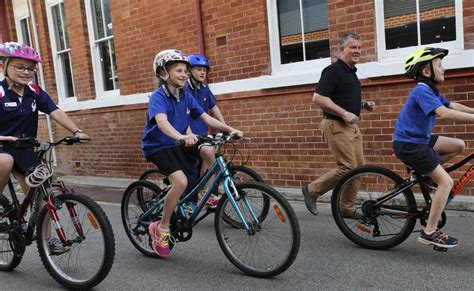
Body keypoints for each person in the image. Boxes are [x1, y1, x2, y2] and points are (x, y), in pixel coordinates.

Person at [142, 49, 242, 258]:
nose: (185, 74)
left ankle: (195, 199)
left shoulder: (186, 95)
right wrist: (179, 135)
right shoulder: (158, 97)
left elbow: (206, 117)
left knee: (205, 156)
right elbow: (161, 122)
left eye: (186, 71)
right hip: (158, 146)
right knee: (179, 182)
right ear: (162, 72)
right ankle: (161, 228)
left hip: (177, 143)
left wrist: (229, 129)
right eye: (179, 70)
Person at [0, 42, 89, 252]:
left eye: (30, 68)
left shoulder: (34, 91)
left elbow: (54, 111)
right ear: (4, 66)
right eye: (19, 67)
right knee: (5, 160)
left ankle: (48, 240)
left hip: (24, 148)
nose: (26, 72)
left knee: (40, 193)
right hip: (2, 147)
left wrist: (76, 131)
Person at [393, 47, 474, 248]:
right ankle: (429, 231)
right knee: (446, 182)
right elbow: (443, 113)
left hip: (420, 140)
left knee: (459, 145)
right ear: (426, 72)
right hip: (410, 145)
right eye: (439, 65)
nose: (443, 68)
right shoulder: (421, 90)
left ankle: (422, 174)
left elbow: (452, 105)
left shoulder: (430, 90)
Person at [301, 32, 375, 216]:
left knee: (359, 168)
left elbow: (342, 98)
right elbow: (318, 98)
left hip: (351, 127)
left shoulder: (350, 72)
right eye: (352, 47)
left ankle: (346, 208)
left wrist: (363, 105)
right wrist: (344, 113)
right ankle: (312, 190)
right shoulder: (334, 70)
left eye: (359, 47)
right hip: (335, 125)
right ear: (342, 49)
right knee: (348, 168)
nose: (357, 51)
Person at [184, 53, 226, 208]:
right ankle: (203, 193)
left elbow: (214, 108)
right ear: (189, 71)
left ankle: (205, 191)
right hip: (186, 134)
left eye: (204, 70)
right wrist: (188, 134)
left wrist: (224, 127)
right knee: (208, 153)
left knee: (214, 156)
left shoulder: (204, 88)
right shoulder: (184, 89)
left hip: (202, 134)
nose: (202, 72)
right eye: (198, 69)